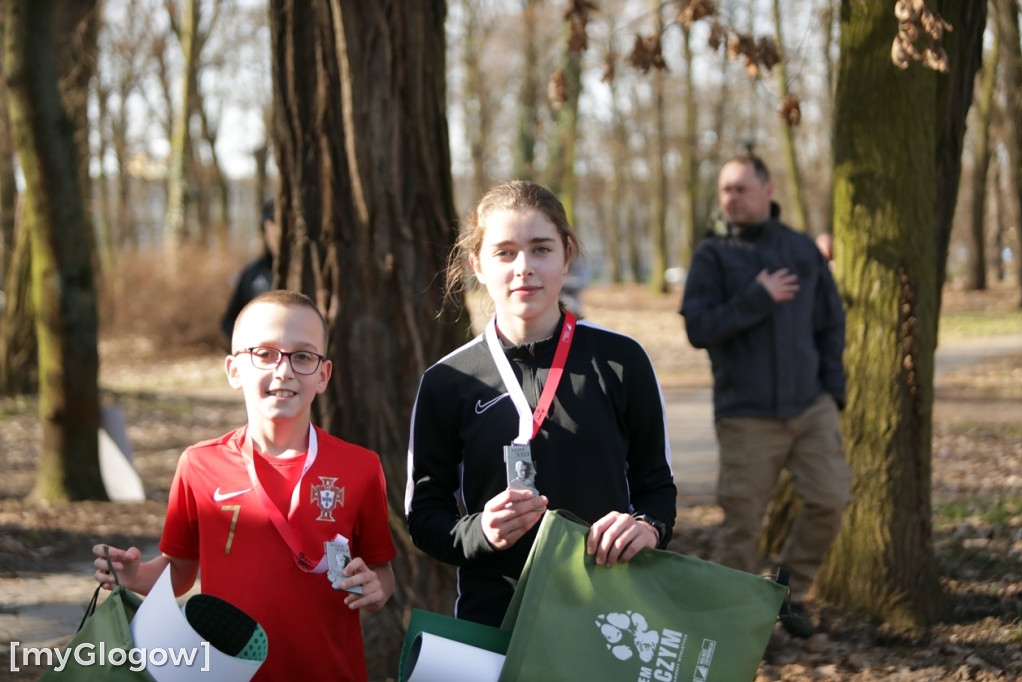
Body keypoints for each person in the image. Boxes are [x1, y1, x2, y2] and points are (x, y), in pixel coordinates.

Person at [405, 180, 677, 628]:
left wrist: (647, 526)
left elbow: (656, 486)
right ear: (477, 264)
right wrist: (480, 533)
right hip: (496, 621)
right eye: (505, 252)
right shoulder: (447, 381)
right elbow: (425, 516)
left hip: (609, 617)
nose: (524, 268)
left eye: (541, 249)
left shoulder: (621, 360)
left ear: (567, 255)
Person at [93, 290, 396, 681]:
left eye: (302, 356)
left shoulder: (360, 467)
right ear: (234, 370)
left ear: (323, 375)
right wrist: (135, 575)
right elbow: (181, 570)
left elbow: (381, 571)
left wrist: (376, 590)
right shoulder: (199, 465)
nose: (284, 371)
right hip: (228, 673)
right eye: (265, 354)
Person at [679, 154, 849, 638]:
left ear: (767, 190)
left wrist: (833, 393)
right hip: (746, 414)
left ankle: (787, 593)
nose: (731, 198)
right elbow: (699, 327)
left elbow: (830, 323)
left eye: (741, 189)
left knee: (830, 499)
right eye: (725, 190)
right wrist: (756, 296)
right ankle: (732, 631)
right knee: (741, 529)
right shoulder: (712, 254)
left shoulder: (800, 248)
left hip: (811, 406)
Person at [221, 199, 278, 341]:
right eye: (270, 225)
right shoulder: (252, 273)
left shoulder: (314, 272)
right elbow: (229, 321)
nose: (275, 232)